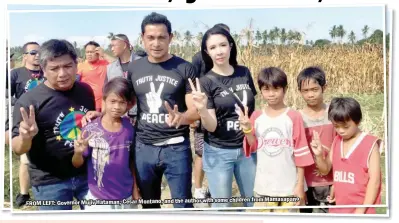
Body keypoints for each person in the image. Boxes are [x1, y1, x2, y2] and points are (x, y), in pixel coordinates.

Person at [84, 12, 199, 209]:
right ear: (142, 38)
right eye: (150, 38)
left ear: (171, 38)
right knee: (149, 205)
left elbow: (195, 111)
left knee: (182, 204)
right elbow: (123, 101)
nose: (156, 43)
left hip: (176, 148)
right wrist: (101, 114)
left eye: (162, 37)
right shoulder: (135, 68)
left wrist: (182, 117)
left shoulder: (185, 68)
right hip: (144, 146)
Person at [11, 39, 95, 211]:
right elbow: (18, 148)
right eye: (54, 68)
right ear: (43, 70)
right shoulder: (28, 101)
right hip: (49, 182)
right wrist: (26, 137)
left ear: (76, 64)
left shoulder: (86, 90)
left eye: (67, 66)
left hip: (87, 174)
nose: (62, 73)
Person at [189, 25, 257, 208]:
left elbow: (253, 109)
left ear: (230, 46)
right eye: (212, 48)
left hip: (248, 150)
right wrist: (202, 109)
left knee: (255, 204)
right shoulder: (205, 82)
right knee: (222, 209)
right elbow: (211, 127)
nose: (219, 51)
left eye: (222, 45)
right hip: (219, 152)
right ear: (207, 52)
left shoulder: (244, 72)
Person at [240, 67, 314, 212]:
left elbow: (300, 153)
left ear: (285, 89)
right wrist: (248, 130)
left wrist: (299, 187)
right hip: (264, 186)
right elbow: (253, 146)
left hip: (289, 187)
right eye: (266, 89)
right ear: (260, 91)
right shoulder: (256, 116)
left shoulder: (293, 116)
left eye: (276, 89)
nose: (271, 94)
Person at [72, 77, 140, 210]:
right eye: (112, 101)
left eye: (122, 102)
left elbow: (131, 161)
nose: (116, 107)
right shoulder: (90, 129)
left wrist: (135, 189)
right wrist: (78, 153)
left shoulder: (129, 128)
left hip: (126, 196)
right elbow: (77, 163)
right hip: (98, 199)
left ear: (128, 104)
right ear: (104, 100)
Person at [311, 97, 382, 214]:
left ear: (358, 121)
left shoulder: (370, 144)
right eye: (336, 126)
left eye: (345, 127)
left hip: (362, 210)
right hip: (339, 208)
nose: (340, 131)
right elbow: (325, 170)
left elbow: (375, 181)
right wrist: (318, 155)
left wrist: (362, 209)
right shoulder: (337, 141)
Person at [190, 23, 230, 202]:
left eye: (225, 43)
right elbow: (192, 86)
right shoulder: (198, 58)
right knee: (201, 151)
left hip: (221, 114)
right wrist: (194, 113)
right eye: (215, 45)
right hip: (203, 110)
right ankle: (198, 189)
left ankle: (216, 189)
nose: (220, 49)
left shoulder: (231, 62)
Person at [9, 42, 45, 208]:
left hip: (46, 122)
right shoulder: (16, 74)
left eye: (39, 52)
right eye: (33, 52)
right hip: (24, 123)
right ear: (25, 56)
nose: (37, 55)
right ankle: (24, 193)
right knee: (25, 159)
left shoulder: (48, 72)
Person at [296, 67, 336, 213]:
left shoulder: (334, 114)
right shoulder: (297, 118)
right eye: (305, 91)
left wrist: (337, 183)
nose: (310, 95)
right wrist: (299, 185)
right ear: (299, 91)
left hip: (331, 182)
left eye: (314, 89)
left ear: (324, 87)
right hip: (307, 183)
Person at [105, 34, 142, 125]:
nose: (112, 49)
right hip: (120, 117)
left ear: (124, 45)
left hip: (141, 115)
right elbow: (106, 93)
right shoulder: (110, 68)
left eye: (114, 46)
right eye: (111, 46)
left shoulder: (142, 63)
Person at [77, 41, 112, 111]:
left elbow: (118, 65)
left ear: (98, 52)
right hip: (87, 103)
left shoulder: (105, 64)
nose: (89, 54)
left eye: (92, 52)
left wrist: (104, 54)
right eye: (87, 52)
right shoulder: (80, 66)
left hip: (104, 103)